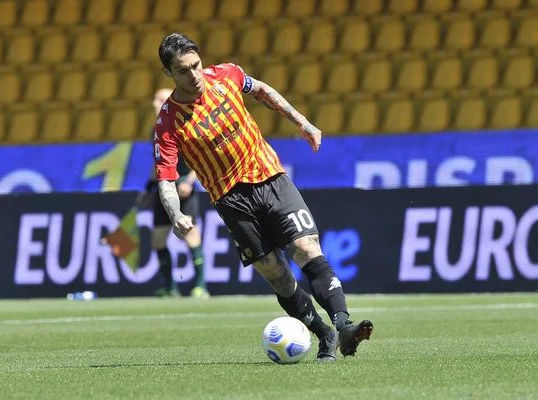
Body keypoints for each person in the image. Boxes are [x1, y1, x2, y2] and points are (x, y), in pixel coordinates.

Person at [153, 33, 373, 361]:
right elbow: (166, 179)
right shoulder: (168, 121)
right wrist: (176, 215)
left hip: (270, 177)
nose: (194, 75)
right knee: (278, 276)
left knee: (306, 247)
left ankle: (343, 326)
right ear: (169, 73)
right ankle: (323, 333)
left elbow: (262, 91)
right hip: (231, 200)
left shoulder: (226, 74)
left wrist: (302, 122)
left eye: (196, 65)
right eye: (183, 71)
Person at [147, 87, 210, 299]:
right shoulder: (155, 129)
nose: (155, 104)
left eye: (160, 99)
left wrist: (189, 181)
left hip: (183, 189)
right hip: (162, 190)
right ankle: (170, 287)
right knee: (158, 239)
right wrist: (148, 186)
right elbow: (158, 162)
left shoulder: (184, 126)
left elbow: (199, 158)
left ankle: (200, 286)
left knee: (190, 236)